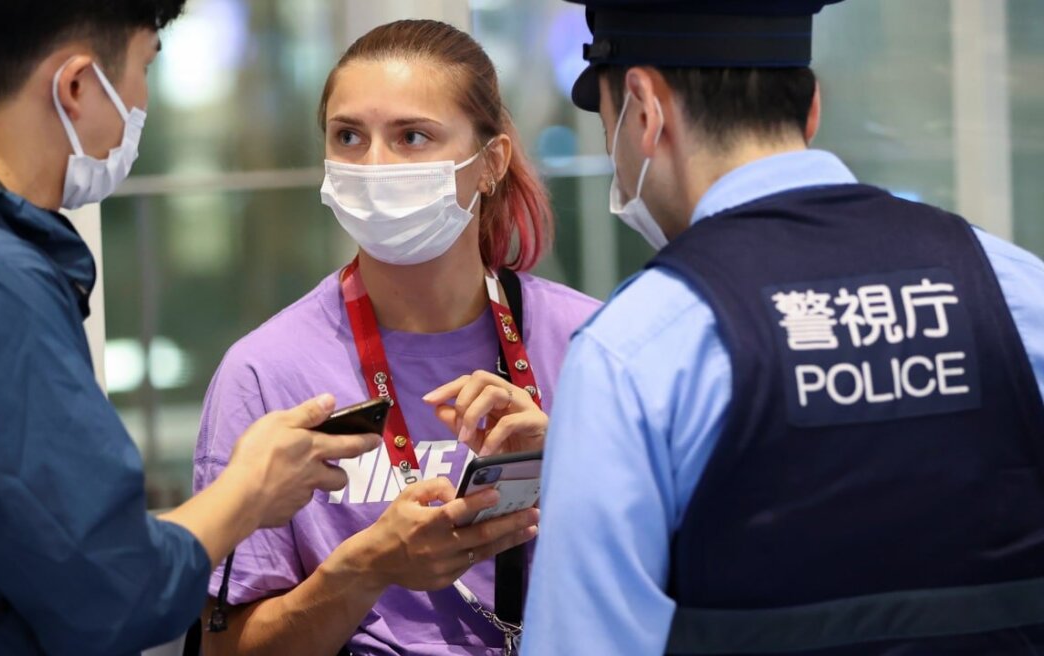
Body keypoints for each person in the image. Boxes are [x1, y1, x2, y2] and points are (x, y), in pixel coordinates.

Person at [519, 0, 1044, 654]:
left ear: (644, 110)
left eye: (607, 124)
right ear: (812, 108)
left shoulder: (637, 349)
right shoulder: (1013, 287)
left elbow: (584, 642)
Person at [0, 2, 381, 654]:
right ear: (77, 86)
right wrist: (251, 487)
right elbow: (108, 591)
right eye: (144, 66)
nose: (142, 100)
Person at [193, 19, 601, 656]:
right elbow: (226, 650)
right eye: (348, 136)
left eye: (412, 136)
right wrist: (366, 568)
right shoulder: (265, 370)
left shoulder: (589, 344)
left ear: (490, 163)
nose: (374, 166)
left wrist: (580, 465)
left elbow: (690, 573)